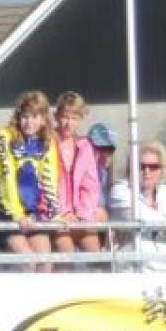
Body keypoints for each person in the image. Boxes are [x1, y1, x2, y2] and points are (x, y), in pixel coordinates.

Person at [0, 89, 59, 258]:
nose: (29, 122)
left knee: (45, 261)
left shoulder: (47, 141)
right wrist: (18, 215)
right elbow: (6, 179)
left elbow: (49, 180)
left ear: (43, 119)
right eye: (25, 116)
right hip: (4, 213)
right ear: (18, 116)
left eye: (34, 117)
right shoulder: (5, 137)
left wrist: (52, 213)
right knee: (28, 261)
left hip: (32, 213)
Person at [108, 140, 166, 268]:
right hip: (131, 270)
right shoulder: (121, 190)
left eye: (153, 167)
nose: (147, 171)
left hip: (164, 268)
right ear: (130, 168)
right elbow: (141, 218)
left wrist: (161, 207)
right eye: (141, 166)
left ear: (161, 169)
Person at [51, 92, 107, 254]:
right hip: (57, 218)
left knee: (96, 255)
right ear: (56, 116)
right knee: (66, 252)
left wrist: (83, 215)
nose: (69, 123)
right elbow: (45, 184)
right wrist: (61, 213)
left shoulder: (85, 147)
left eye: (74, 118)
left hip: (80, 217)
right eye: (65, 117)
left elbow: (90, 186)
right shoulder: (46, 143)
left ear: (81, 119)